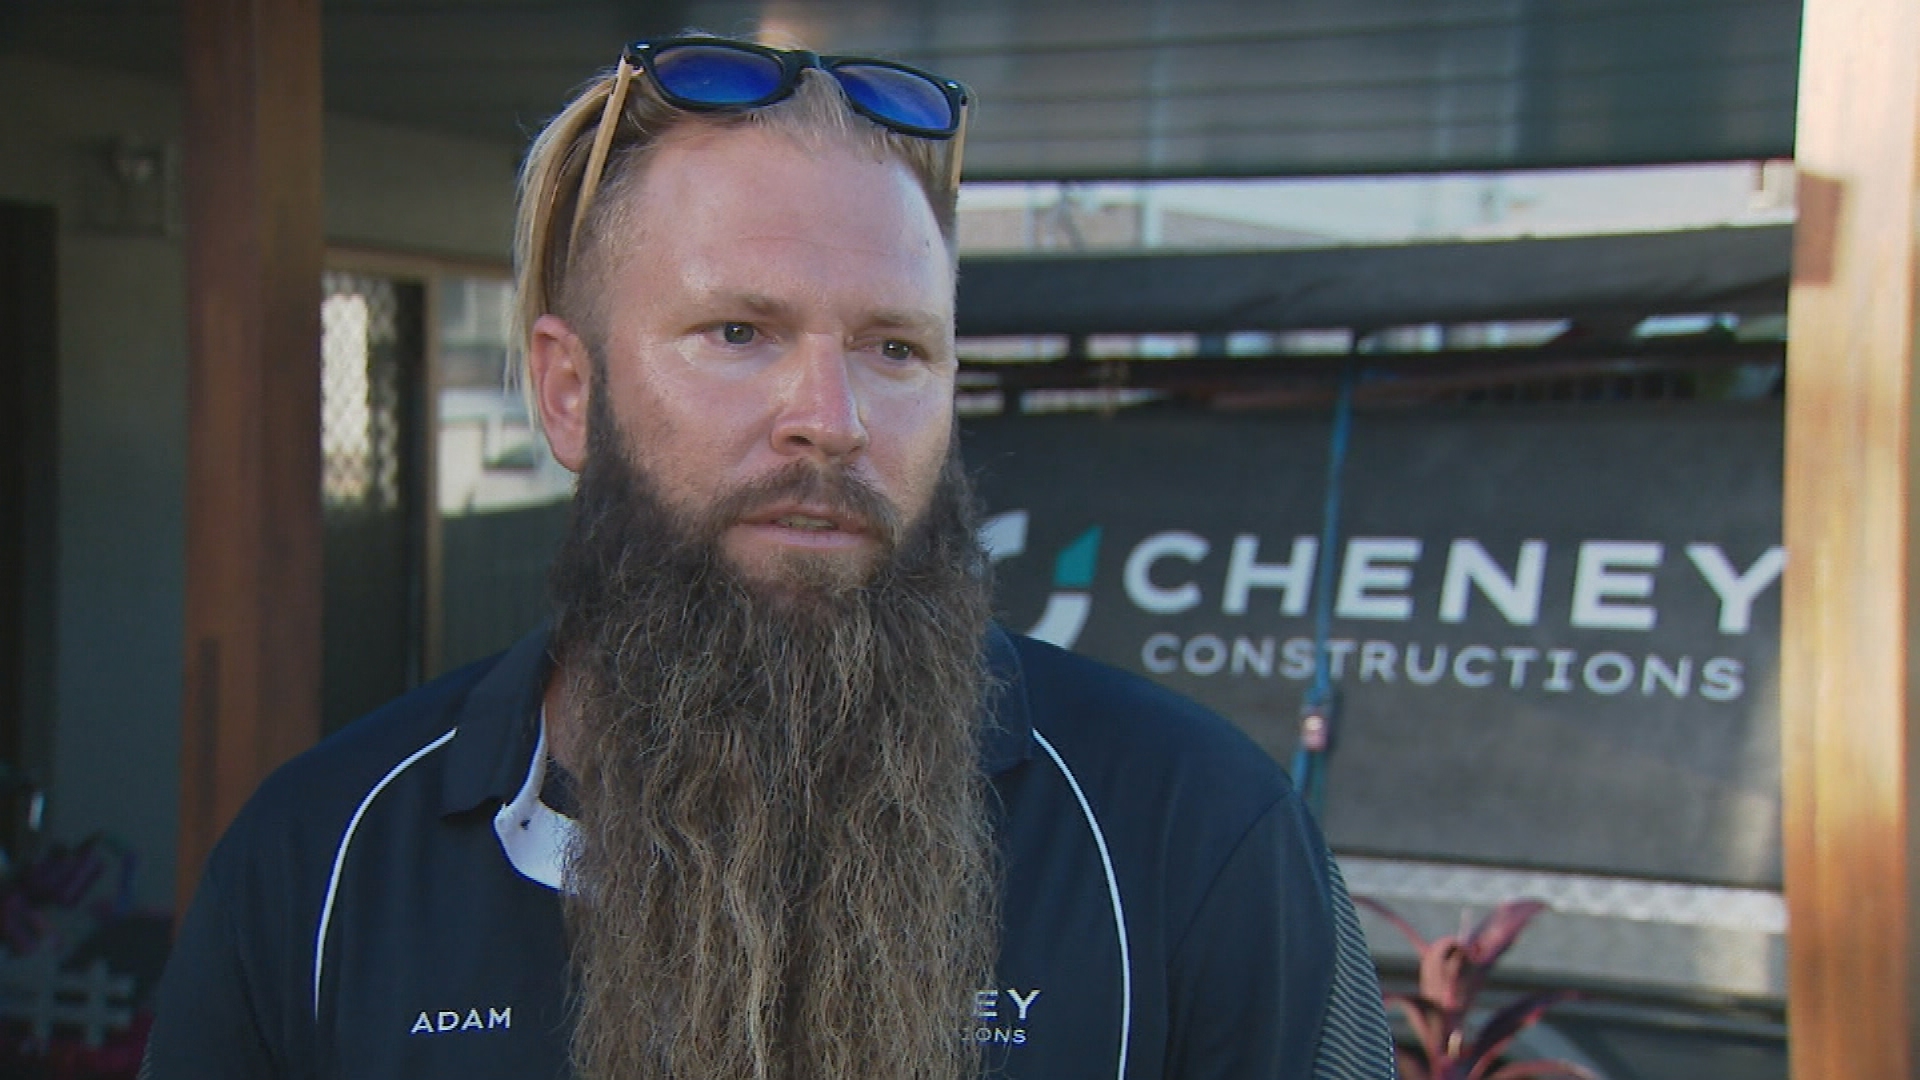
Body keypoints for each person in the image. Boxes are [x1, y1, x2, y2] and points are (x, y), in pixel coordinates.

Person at [145, 35, 1396, 1080]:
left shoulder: (1190, 839)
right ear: (569, 392)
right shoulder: (319, 869)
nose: (832, 417)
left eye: (895, 348)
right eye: (739, 331)